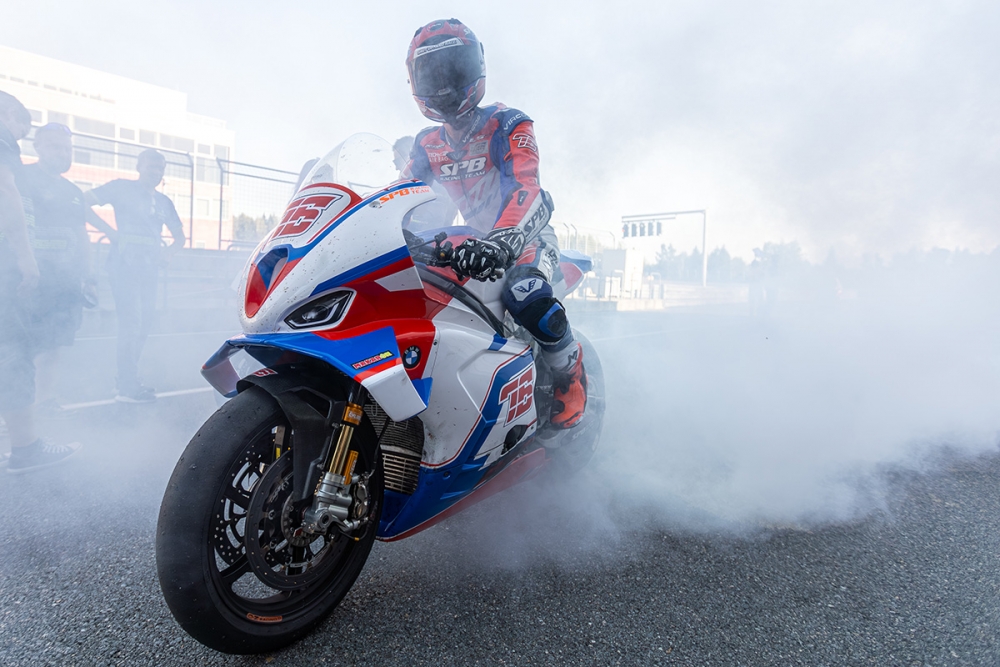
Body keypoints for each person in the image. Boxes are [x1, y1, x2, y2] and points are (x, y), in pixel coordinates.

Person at [402, 19, 587, 429]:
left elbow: (527, 185)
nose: (445, 84)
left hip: (527, 236)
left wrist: (503, 241)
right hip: (472, 243)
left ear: (476, 66)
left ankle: (570, 375)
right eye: (433, 74)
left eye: (454, 69)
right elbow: (404, 198)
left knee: (525, 292)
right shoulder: (426, 144)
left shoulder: (508, 123)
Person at [0, 91, 81, 473]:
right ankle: (24, 445)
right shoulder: (11, 155)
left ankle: (26, 425)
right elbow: (7, 195)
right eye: (21, 127)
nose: (17, 136)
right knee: (15, 349)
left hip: (54, 277)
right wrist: (24, 256)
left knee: (33, 347)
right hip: (17, 273)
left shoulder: (71, 191)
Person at [19, 123, 116, 409]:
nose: (62, 153)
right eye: (54, 146)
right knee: (21, 345)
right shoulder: (20, 179)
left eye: (66, 148)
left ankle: (44, 400)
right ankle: (18, 405)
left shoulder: (72, 191)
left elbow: (80, 234)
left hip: (65, 282)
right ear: (37, 146)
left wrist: (89, 276)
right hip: (28, 279)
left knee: (54, 343)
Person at [85, 149, 185, 403]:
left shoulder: (164, 202)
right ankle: (127, 385)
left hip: (149, 269)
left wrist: (168, 253)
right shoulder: (121, 188)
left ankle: (125, 377)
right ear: (139, 166)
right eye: (151, 166)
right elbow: (83, 202)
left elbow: (180, 237)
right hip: (123, 266)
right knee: (131, 322)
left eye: (160, 168)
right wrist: (110, 232)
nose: (156, 172)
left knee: (144, 323)